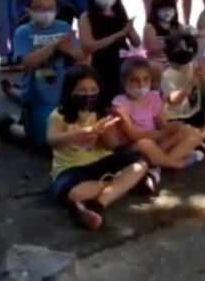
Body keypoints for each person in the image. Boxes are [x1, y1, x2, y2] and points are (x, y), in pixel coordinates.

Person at [47, 64, 148, 230]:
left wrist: (108, 128)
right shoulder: (58, 116)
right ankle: (120, 186)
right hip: (71, 169)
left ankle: (98, 204)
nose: (89, 95)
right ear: (70, 91)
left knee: (140, 165)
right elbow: (51, 140)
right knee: (72, 192)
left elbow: (111, 145)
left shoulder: (101, 113)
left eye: (93, 90)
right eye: (82, 90)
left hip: (102, 162)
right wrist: (75, 135)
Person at [0, 0, 86, 151]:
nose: (45, 12)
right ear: (29, 10)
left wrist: (69, 49)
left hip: (66, 94)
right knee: (43, 144)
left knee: (70, 138)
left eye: (49, 8)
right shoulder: (23, 32)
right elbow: (27, 63)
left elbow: (80, 56)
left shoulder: (64, 27)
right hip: (38, 95)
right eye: (39, 8)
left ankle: (22, 111)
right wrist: (53, 46)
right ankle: (8, 125)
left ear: (56, 10)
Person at [110, 57, 205, 170]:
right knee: (146, 144)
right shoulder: (120, 104)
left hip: (157, 142)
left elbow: (162, 124)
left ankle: (162, 162)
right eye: (135, 81)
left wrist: (174, 127)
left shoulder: (153, 97)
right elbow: (132, 135)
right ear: (124, 81)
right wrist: (163, 133)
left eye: (146, 79)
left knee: (193, 132)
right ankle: (178, 163)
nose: (141, 85)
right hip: (135, 147)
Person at [79, 0, 140, 108]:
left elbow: (136, 42)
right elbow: (88, 46)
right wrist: (117, 35)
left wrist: (129, 30)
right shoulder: (87, 17)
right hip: (100, 67)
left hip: (122, 67)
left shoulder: (120, 13)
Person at [142, 0, 181, 66]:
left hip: (174, 63)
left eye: (170, 9)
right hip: (156, 64)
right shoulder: (150, 27)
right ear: (155, 11)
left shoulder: (177, 26)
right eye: (164, 9)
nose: (167, 12)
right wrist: (171, 46)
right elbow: (151, 49)